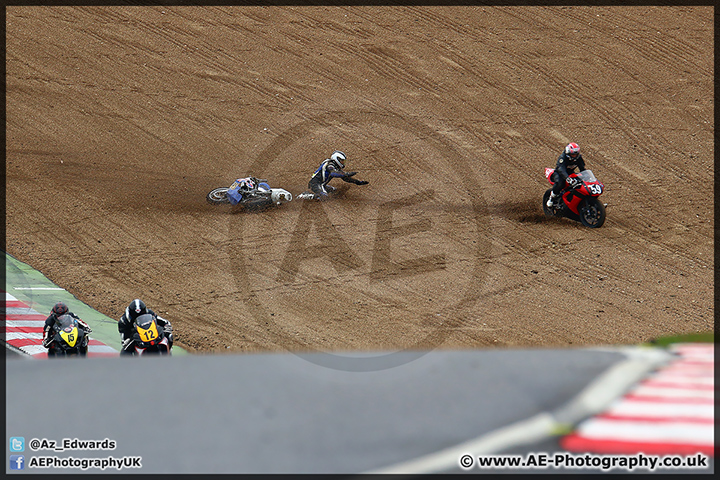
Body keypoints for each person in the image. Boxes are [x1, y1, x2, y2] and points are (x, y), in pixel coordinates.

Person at [547, 142, 587, 208]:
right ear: (568, 153)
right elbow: (561, 169)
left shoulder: (579, 158)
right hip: (559, 173)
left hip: (571, 173)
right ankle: (551, 199)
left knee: (581, 183)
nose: (575, 156)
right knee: (560, 183)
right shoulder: (563, 158)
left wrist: (588, 177)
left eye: (576, 154)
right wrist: (567, 178)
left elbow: (582, 168)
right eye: (573, 154)